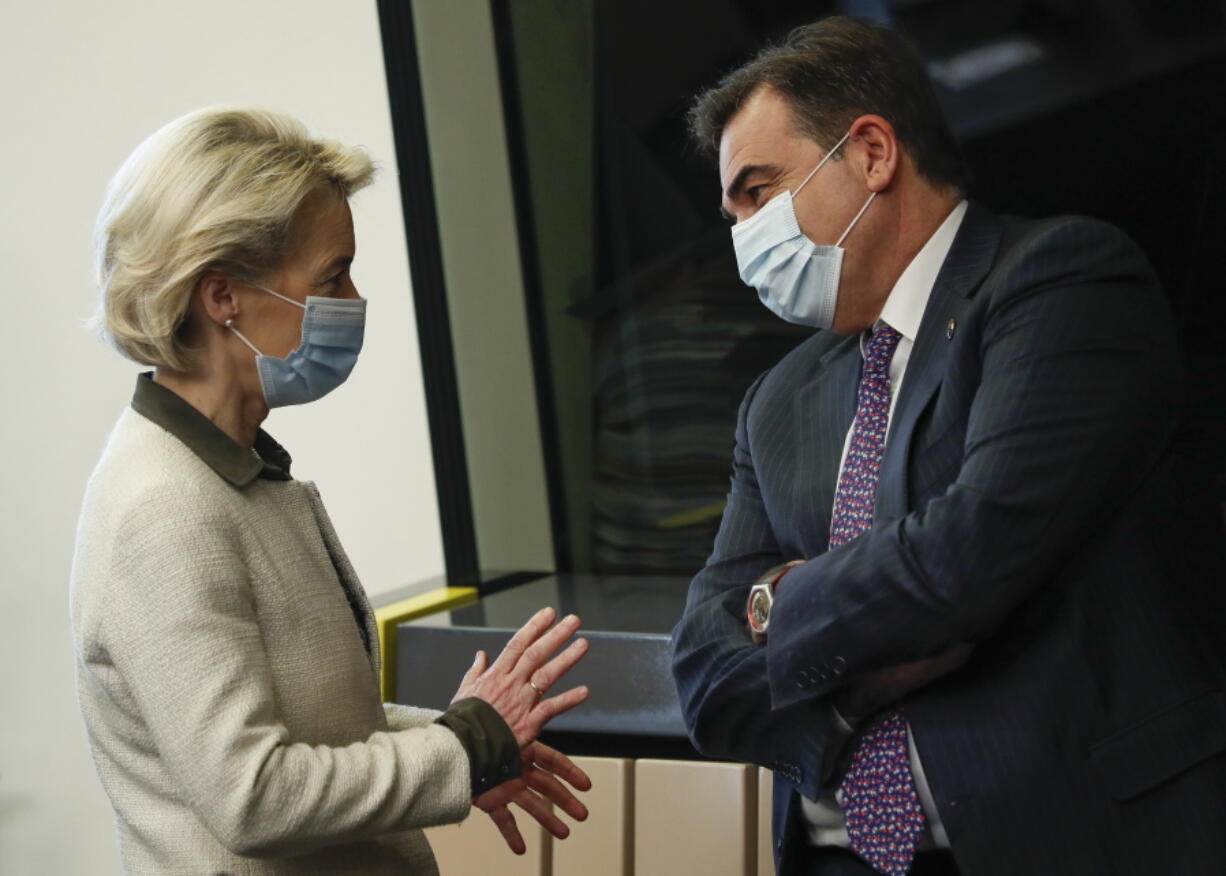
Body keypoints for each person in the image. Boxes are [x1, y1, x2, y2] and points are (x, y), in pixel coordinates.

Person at [670, 16, 1226, 876]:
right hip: (845, 856)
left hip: (1065, 837)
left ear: (872, 154)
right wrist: (860, 686)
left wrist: (780, 605)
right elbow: (703, 676)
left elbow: (960, 563)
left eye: (758, 190)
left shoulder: (1060, 284)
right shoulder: (777, 402)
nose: (743, 234)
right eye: (731, 208)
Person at [71, 106, 592, 874]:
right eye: (331, 275)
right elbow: (255, 794)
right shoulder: (165, 509)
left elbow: (311, 727)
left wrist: (470, 741)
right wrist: (467, 743)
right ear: (223, 298)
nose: (352, 299)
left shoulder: (233, 474)